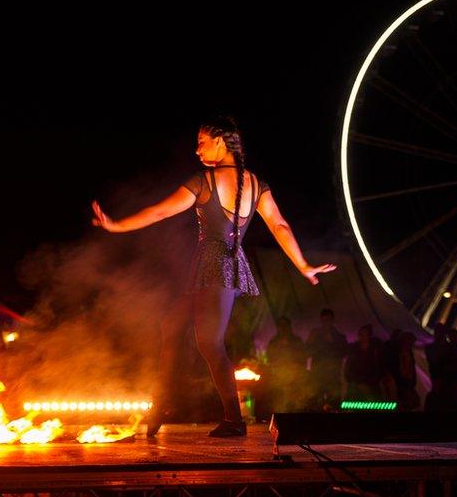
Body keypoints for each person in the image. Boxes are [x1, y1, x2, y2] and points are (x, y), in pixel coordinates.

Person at [91, 115, 336, 437]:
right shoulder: (256, 184)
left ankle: (234, 420)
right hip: (221, 267)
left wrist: (117, 225)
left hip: (215, 267)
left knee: (209, 342)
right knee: (172, 326)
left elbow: (161, 211)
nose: (197, 150)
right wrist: (302, 265)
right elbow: (280, 225)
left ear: (221, 141)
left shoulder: (204, 180)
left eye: (202, 142)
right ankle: (162, 405)